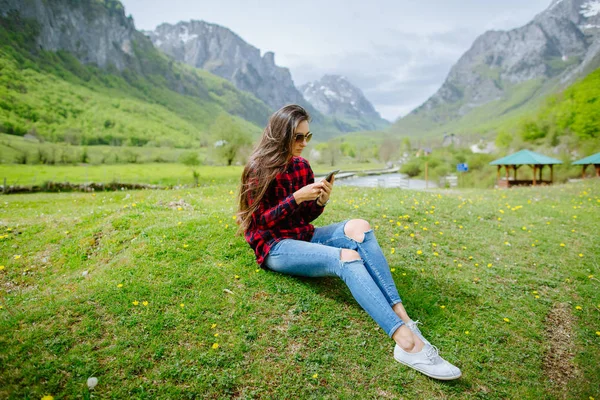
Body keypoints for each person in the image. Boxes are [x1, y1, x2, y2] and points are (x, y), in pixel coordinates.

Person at [237, 104, 461, 380]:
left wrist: (320, 200)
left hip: (303, 235)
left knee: (360, 227)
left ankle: (404, 318)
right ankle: (407, 344)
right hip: (275, 247)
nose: (304, 143)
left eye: (308, 136)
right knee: (347, 258)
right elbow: (258, 222)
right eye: (298, 137)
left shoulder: (301, 167)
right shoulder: (257, 169)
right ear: (280, 135)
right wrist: (295, 198)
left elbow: (307, 217)